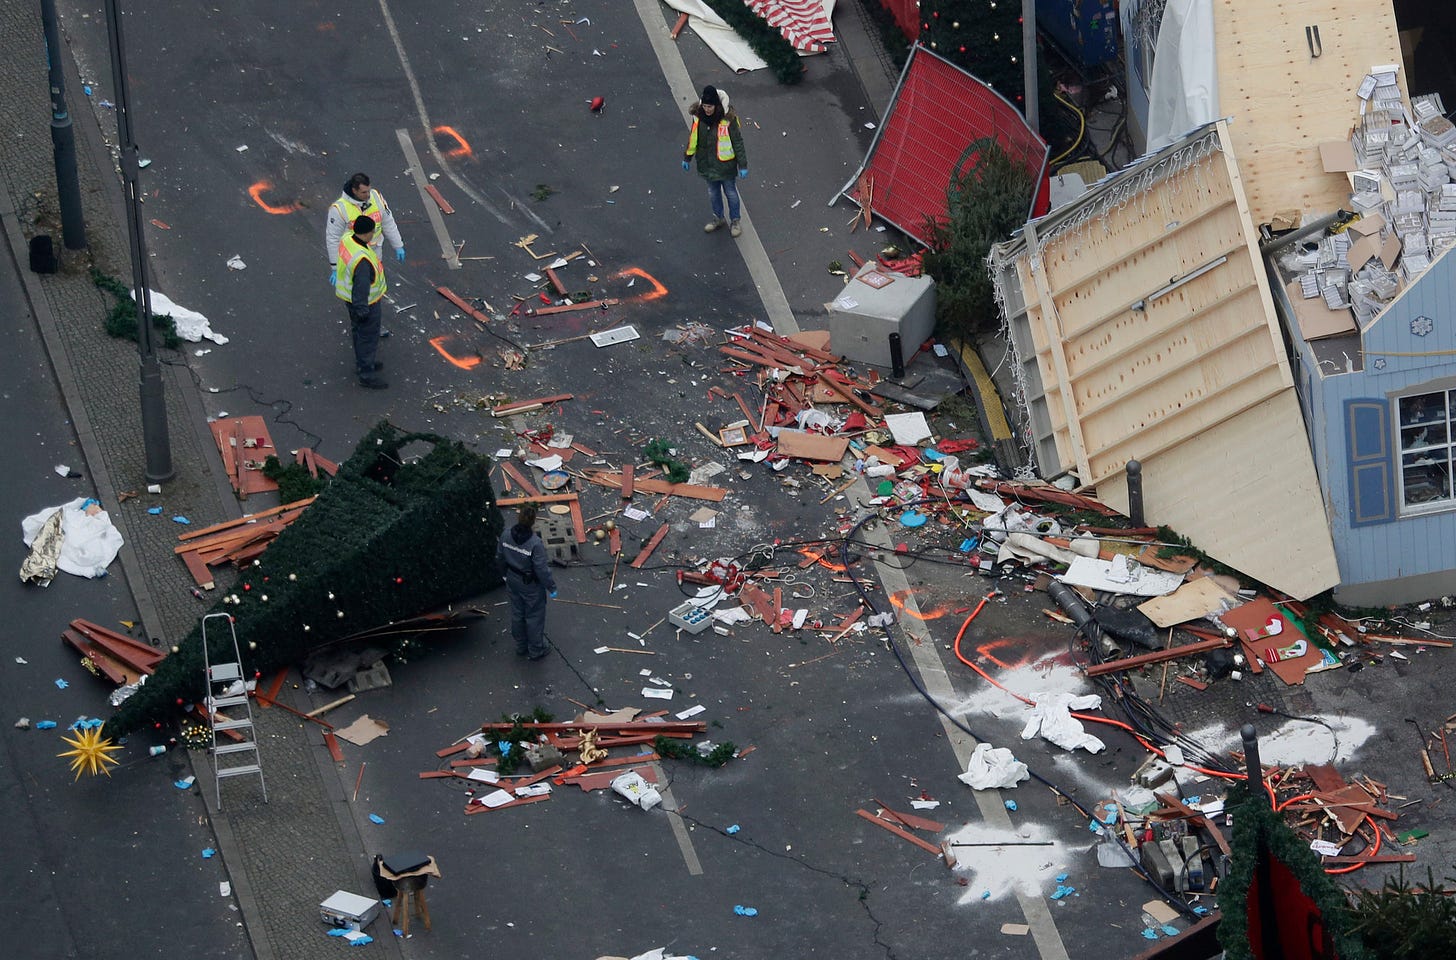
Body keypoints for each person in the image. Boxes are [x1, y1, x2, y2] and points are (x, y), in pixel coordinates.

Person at [682, 85, 748, 237]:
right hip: (708, 165)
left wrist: (742, 165)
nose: (707, 109)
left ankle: (735, 221)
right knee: (713, 193)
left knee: (730, 193)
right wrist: (687, 156)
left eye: (710, 106)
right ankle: (718, 217)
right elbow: (693, 139)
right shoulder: (698, 118)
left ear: (716, 105)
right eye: (704, 106)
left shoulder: (727, 120)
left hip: (725, 165)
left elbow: (737, 142)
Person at [496, 504, 557, 660]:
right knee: (534, 616)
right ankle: (536, 649)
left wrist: (504, 575)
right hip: (530, 585)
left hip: (512, 580)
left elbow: (500, 557)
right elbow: (541, 569)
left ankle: (521, 645)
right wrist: (551, 587)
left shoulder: (506, 535)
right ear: (533, 521)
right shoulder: (535, 543)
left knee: (517, 613)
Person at [334, 215, 388, 389]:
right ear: (367, 233)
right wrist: (362, 309)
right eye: (373, 231)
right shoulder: (362, 260)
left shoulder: (348, 238)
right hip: (366, 304)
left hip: (349, 299)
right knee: (368, 337)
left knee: (358, 333)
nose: (374, 234)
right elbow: (362, 287)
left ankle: (363, 363)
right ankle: (366, 373)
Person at [326, 172, 405, 272]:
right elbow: (333, 238)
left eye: (369, 190)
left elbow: (388, 222)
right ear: (354, 190)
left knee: (376, 282)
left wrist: (398, 245)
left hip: (375, 253)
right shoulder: (339, 209)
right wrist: (335, 267)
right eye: (364, 192)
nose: (368, 195)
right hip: (353, 257)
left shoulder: (376, 197)